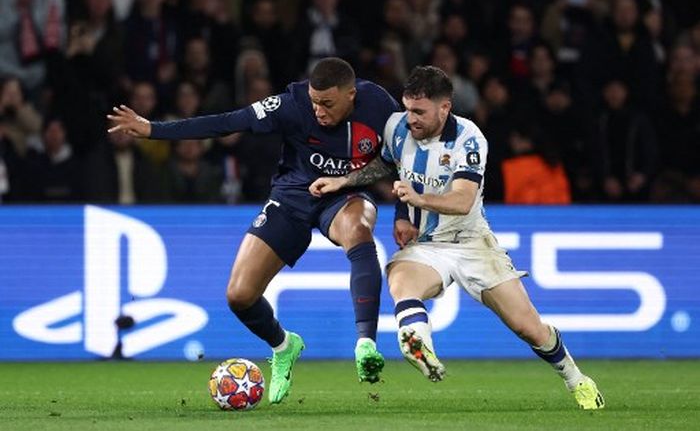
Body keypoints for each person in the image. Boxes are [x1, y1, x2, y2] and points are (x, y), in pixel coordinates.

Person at [309, 66, 605, 410]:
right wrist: (345, 183)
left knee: (529, 328)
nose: (411, 118)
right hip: (427, 245)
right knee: (400, 278)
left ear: (444, 108)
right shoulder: (396, 127)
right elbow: (389, 166)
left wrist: (416, 200)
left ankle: (575, 378)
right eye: (407, 109)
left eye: (419, 112)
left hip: (471, 243)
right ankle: (416, 341)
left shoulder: (469, 138)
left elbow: (463, 200)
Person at [107, 57, 400, 403]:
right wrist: (154, 129)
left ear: (351, 94)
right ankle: (284, 346)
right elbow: (228, 122)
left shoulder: (380, 106)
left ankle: (365, 343)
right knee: (239, 295)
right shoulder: (292, 105)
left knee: (358, 229)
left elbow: (397, 161)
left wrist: (378, 198)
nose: (318, 110)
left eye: (328, 103)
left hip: (345, 195)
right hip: (292, 197)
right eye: (314, 101)